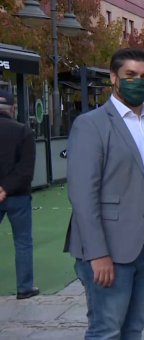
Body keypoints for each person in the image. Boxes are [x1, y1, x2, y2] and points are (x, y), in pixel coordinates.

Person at [65, 48, 144, 338]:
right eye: (130, 75)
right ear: (114, 77)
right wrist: (98, 253)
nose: (138, 81)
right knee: (106, 330)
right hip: (110, 251)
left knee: (135, 328)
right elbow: (82, 195)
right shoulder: (91, 124)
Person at [0, 90, 38, 300]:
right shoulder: (23, 131)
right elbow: (26, 170)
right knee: (23, 242)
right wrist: (5, 188)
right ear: (13, 109)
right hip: (18, 195)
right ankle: (24, 287)